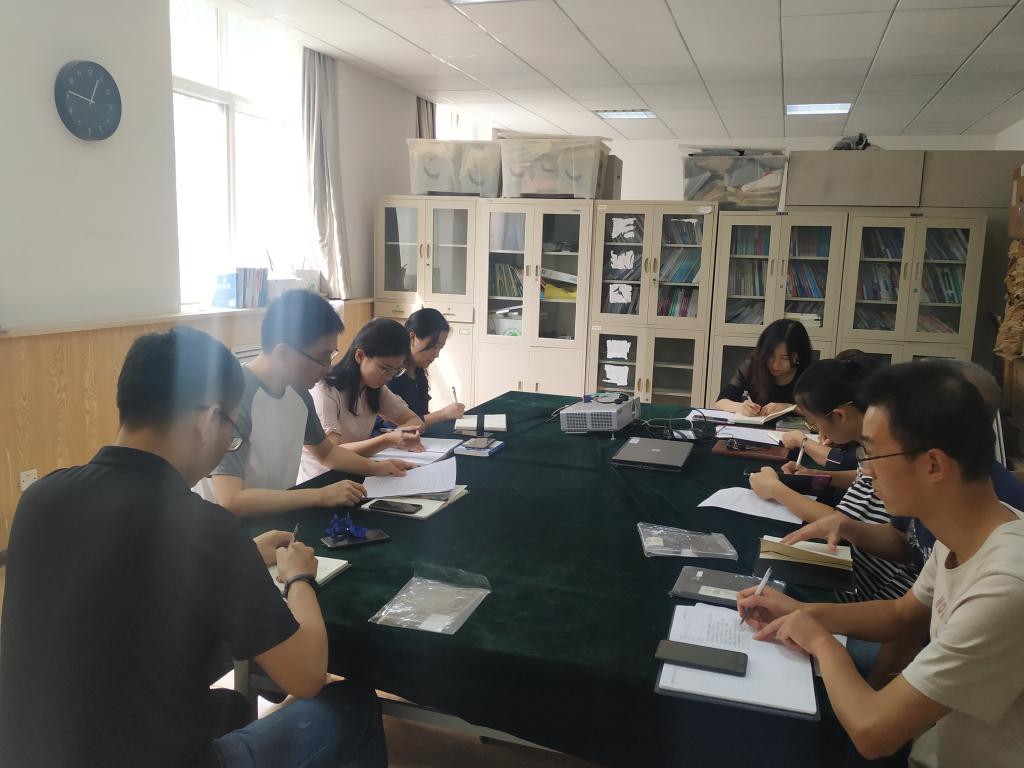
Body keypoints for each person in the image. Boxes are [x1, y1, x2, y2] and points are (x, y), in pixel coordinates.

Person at [0, 327, 386, 768]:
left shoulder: (40, 498)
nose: (226, 446)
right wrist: (299, 577)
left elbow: (129, 572)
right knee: (353, 704)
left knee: (230, 706)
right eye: (232, 433)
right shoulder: (204, 527)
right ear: (208, 420)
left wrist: (242, 554)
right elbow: (307, 675)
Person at [737, 361, 1024, 766]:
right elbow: (902, 616)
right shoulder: (964, 531)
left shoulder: (1006, 584)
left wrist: (819, 640)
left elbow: (873, 733)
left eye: (873, 451)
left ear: (933, 465)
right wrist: (802, 611)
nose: (866, 470)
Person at [205, 290, 414, 518]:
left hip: (277, 517)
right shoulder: (235, 397)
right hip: (233, 527)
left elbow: (327, 453)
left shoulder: (298, 393)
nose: (328, 368)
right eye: (322, 358)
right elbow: (231, 500)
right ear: (283, 353)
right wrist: (320, 495)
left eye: (330, 356)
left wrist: (377, 468)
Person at [748, 354, 919, 603]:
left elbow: (846, 521)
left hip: (867, 588)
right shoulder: (879, 451)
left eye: (814, 422)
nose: (869, 470)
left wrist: (777, 489)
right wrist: (817, 476)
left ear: (839, 415)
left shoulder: (894, 456)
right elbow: (860, 482)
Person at [299, 318, 426, 482]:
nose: (389, 377)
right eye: (384, 369)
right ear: (360, 355)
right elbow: (332, 453)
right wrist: (388, 439)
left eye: (396, 371)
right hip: (322, 479)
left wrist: (401, 437)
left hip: (356, 472)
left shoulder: (375, 388)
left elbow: (415, 421)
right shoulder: (325, 390)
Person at [375, 307, 466, 432]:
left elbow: (420, 416)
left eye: (440, 349)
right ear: (413, 338)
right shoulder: (391, 377)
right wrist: (443, 414)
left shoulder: (418, 373)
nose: (437, 354)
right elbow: (394, 427)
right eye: (434, 347)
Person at [714, 318, 813, 417]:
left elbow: (820, 412)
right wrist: (741, 407)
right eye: (770, 356)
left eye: (785, 358)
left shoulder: (810, 372)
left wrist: (790, 407)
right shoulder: (752, 366)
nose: (776, 364)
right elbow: (720, 402)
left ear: (799, 355)